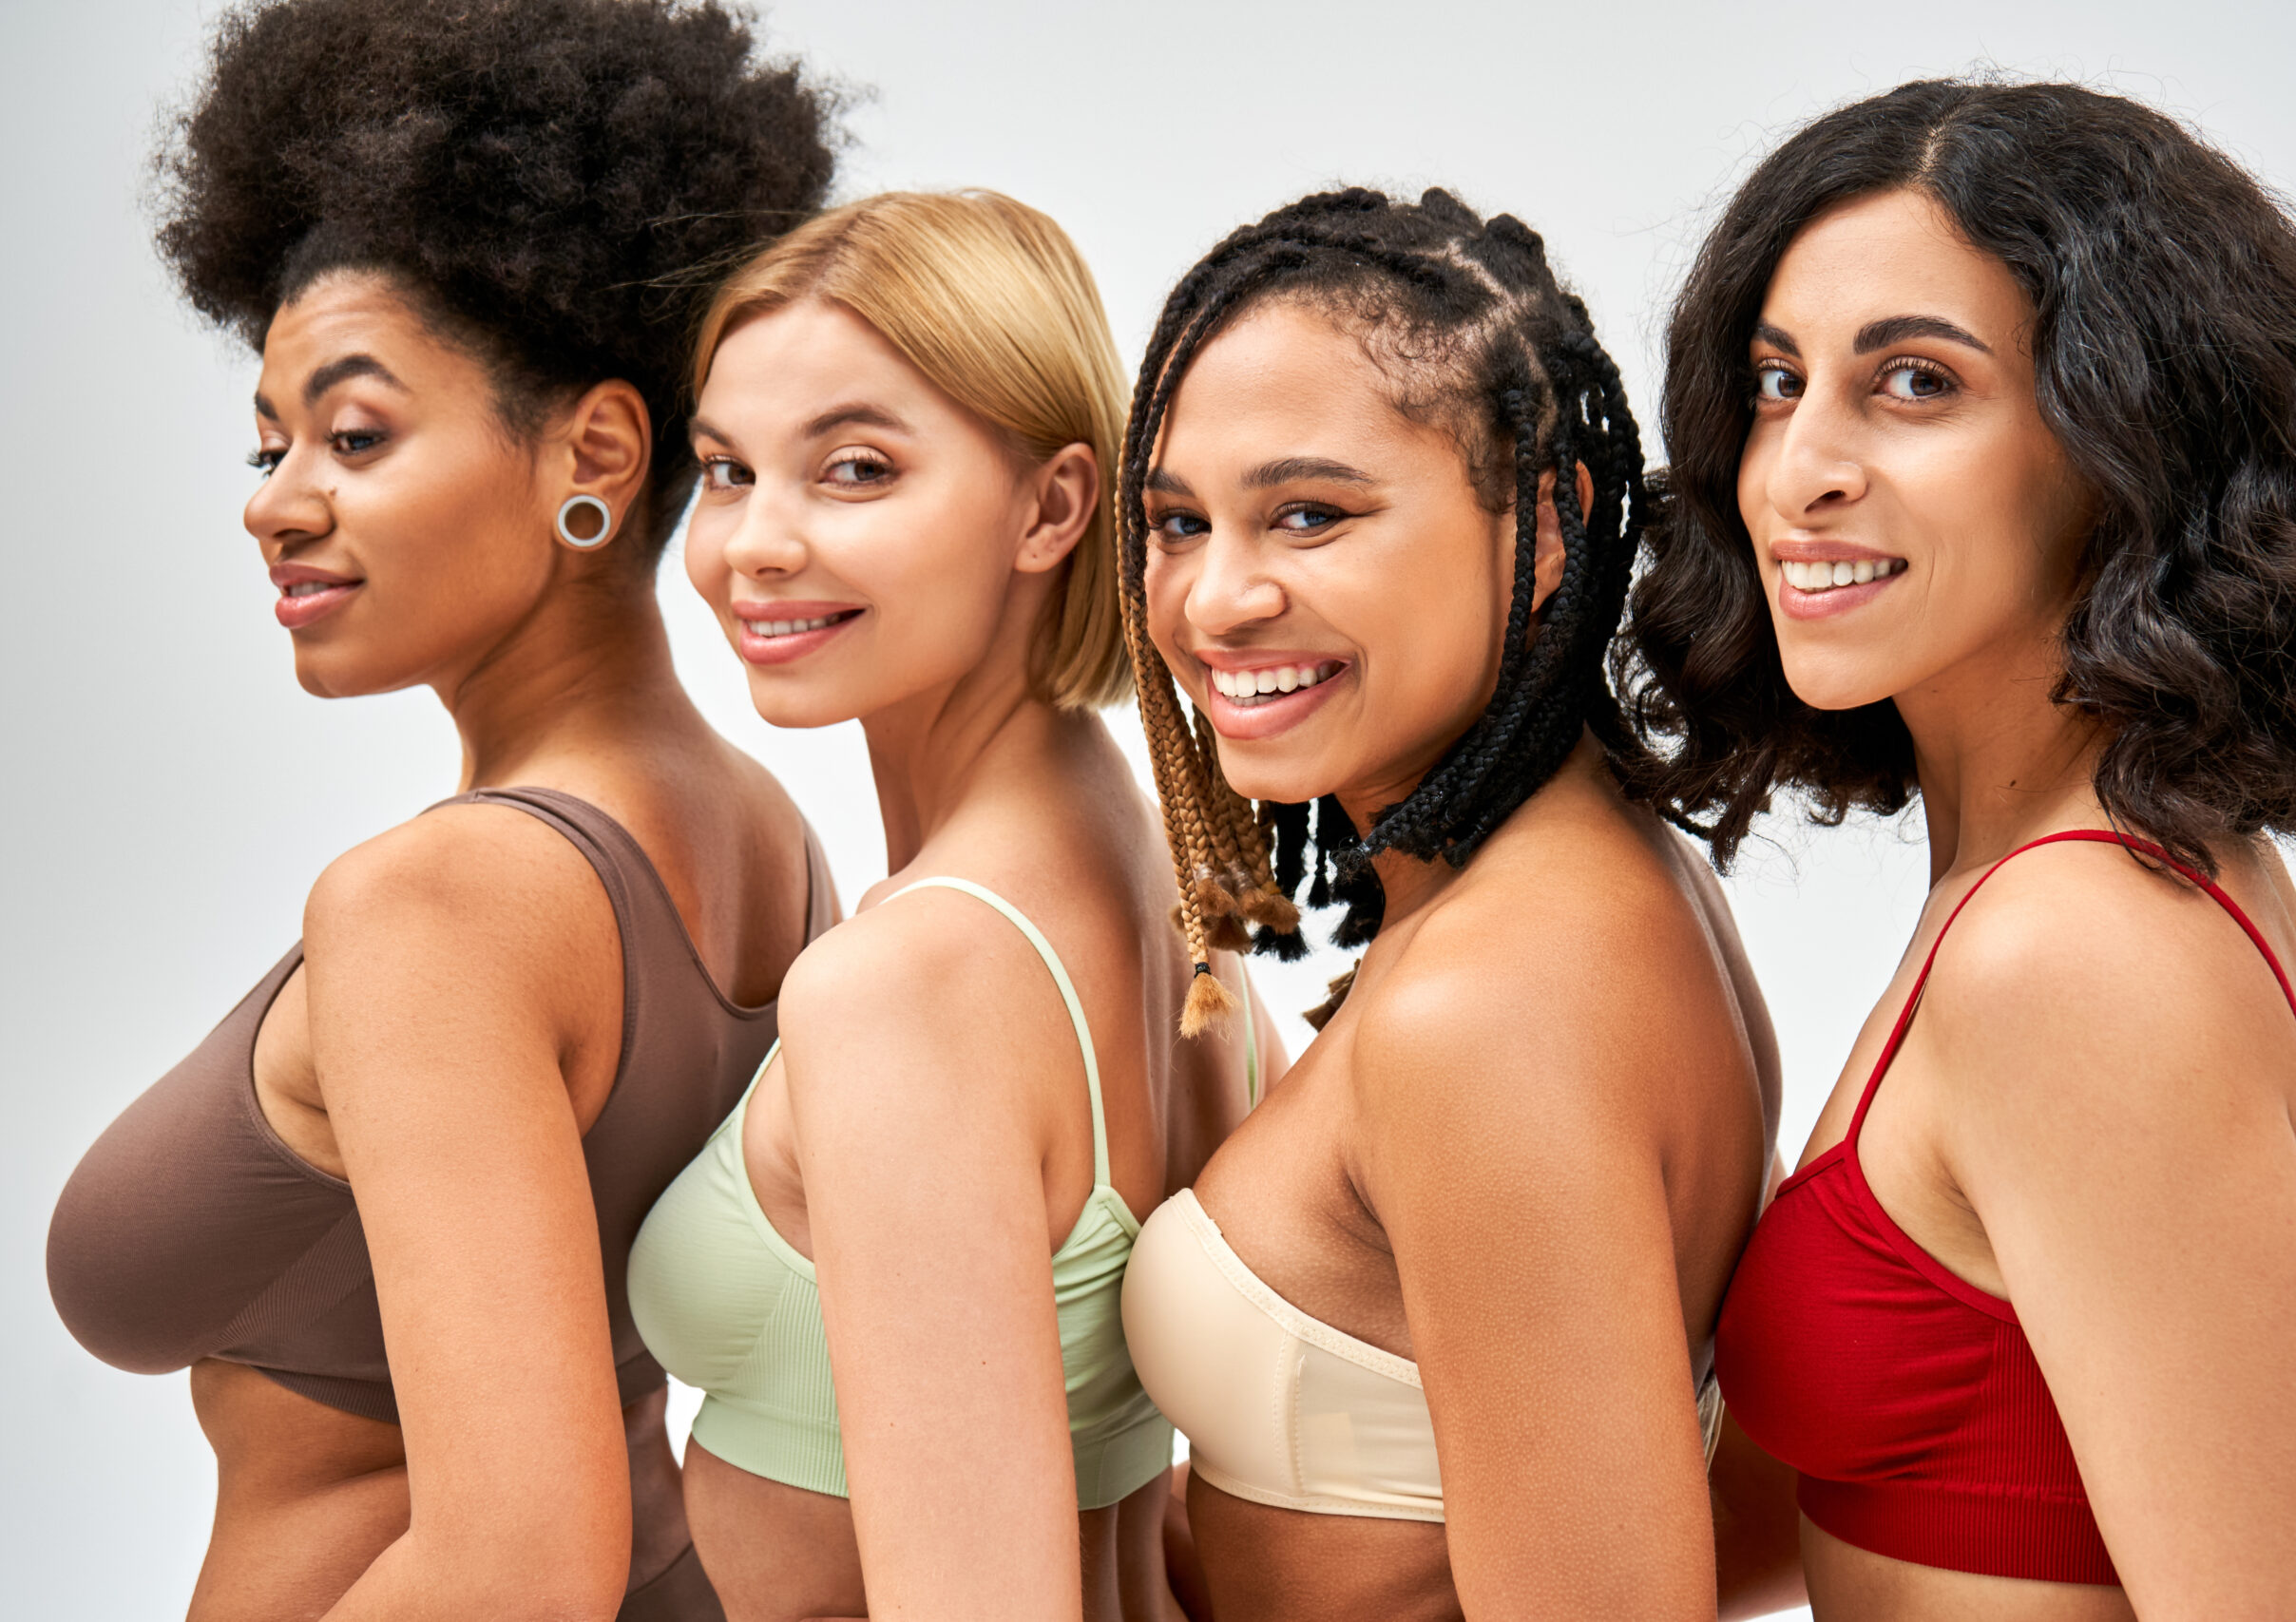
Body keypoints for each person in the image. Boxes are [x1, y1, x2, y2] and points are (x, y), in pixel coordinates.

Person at [45, 4, 840, 1616]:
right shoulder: (763, 834)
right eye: (268, 442)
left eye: (354, 433)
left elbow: (517, 1566)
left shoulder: (446, 902)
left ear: (595, 452)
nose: (275, 501)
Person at [1629, 78, 2296, 1621]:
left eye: (1917, 383)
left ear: (2125, 440)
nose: (1802, 469)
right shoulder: (2043, 880)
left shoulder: (2076, 953)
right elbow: (1916, 1483)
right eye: (1777, 383)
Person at [1113, 186, 1779, 1622]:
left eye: (1309, 514)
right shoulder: (1590, 873)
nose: (1215, 599)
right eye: (1177, 521)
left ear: (1545, 525)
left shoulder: (1490, 1008)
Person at [626, 190, 1275, 1622]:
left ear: (1052, 507)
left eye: (853, 470)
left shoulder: (913, 981)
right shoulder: (1162, 864)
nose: (754, 546)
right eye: (726, 471)